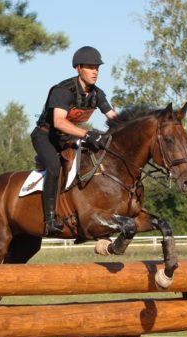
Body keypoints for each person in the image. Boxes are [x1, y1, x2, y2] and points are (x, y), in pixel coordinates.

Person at [31, 46, 118, 237]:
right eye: (90, 67)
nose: (95, 71)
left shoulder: (97, 94)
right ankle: (50, 219)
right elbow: (59, 122)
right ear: (78, 68)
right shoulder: (63, 91)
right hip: (45, 136)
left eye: (97, 67)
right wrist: (86, 134)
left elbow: (113, 117)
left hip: (68, 137)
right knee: (54, 166)